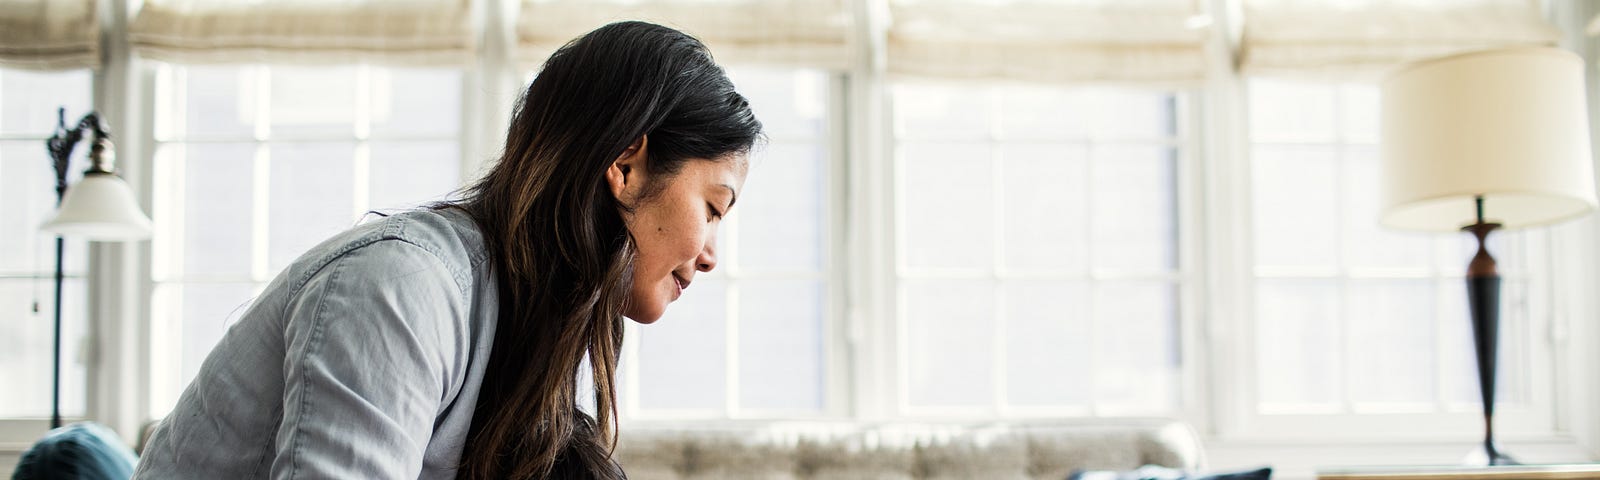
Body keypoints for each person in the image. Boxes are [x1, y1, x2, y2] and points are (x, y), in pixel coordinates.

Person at [132, 21, 762, 479]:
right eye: (712, 208)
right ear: (625, 165)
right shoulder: (401, 287)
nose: (709, 255)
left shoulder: (546, 331)